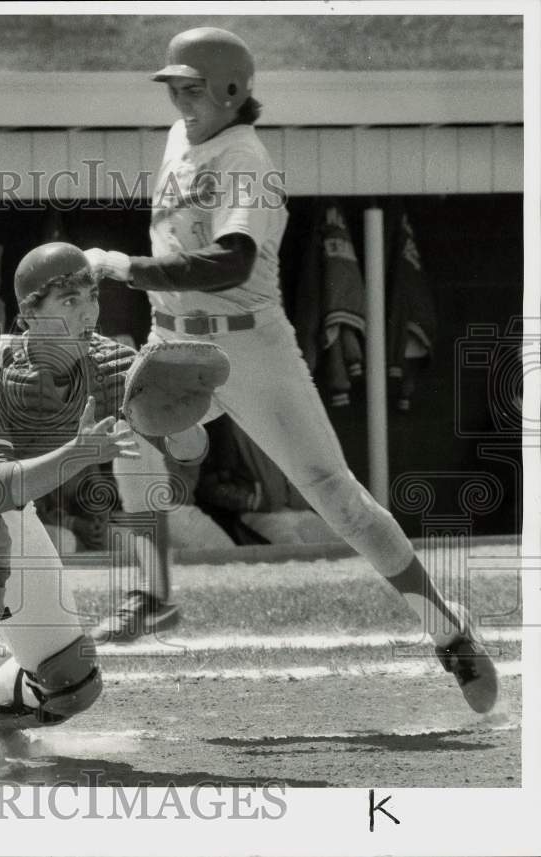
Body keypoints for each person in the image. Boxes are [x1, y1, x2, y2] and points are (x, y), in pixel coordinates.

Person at [84, 27, 498, 713]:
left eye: (192, 87)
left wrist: (127, 268)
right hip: (172, 338)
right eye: (175, 88)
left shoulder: (246, 155)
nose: (181, 99)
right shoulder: (179, 138)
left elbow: (232, 262)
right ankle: (152, 594)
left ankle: (449, 632)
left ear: (230, 90)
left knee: (339, 500)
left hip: (247, 349)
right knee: (128, 431)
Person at [0, 242, 208, 781]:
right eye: (68, 300)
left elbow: (191, 452)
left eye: (91, 297)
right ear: (28, 312)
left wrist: (174, 408)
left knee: (71, 685)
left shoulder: (109, 362)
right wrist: (75, 455)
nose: (87, 312)